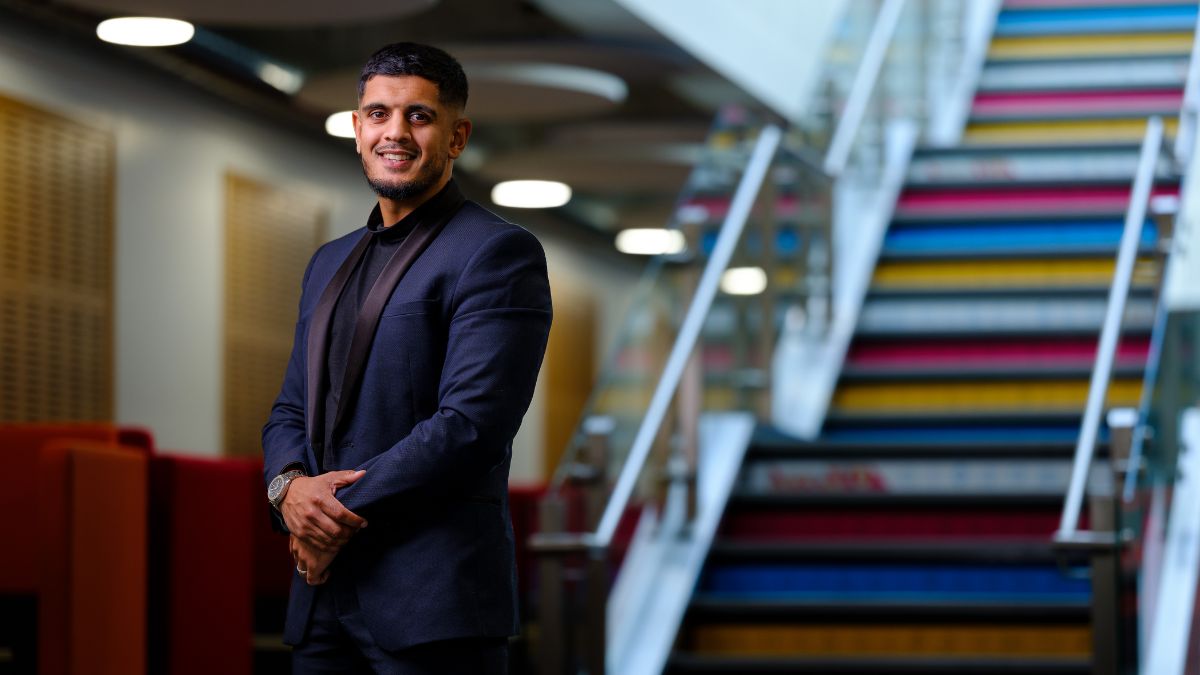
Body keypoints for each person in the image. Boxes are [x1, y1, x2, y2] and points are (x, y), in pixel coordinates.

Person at [261, 41, 552, 673]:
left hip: (432, 600)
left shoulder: (498, 253)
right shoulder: (327, 262)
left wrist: (328, 519)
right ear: (357, 128)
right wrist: (288, 491)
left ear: (456, 136)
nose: (396, 132)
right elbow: (290, 407)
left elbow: (470, 426)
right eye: (378, 114)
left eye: (419, 116)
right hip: (320, 602)